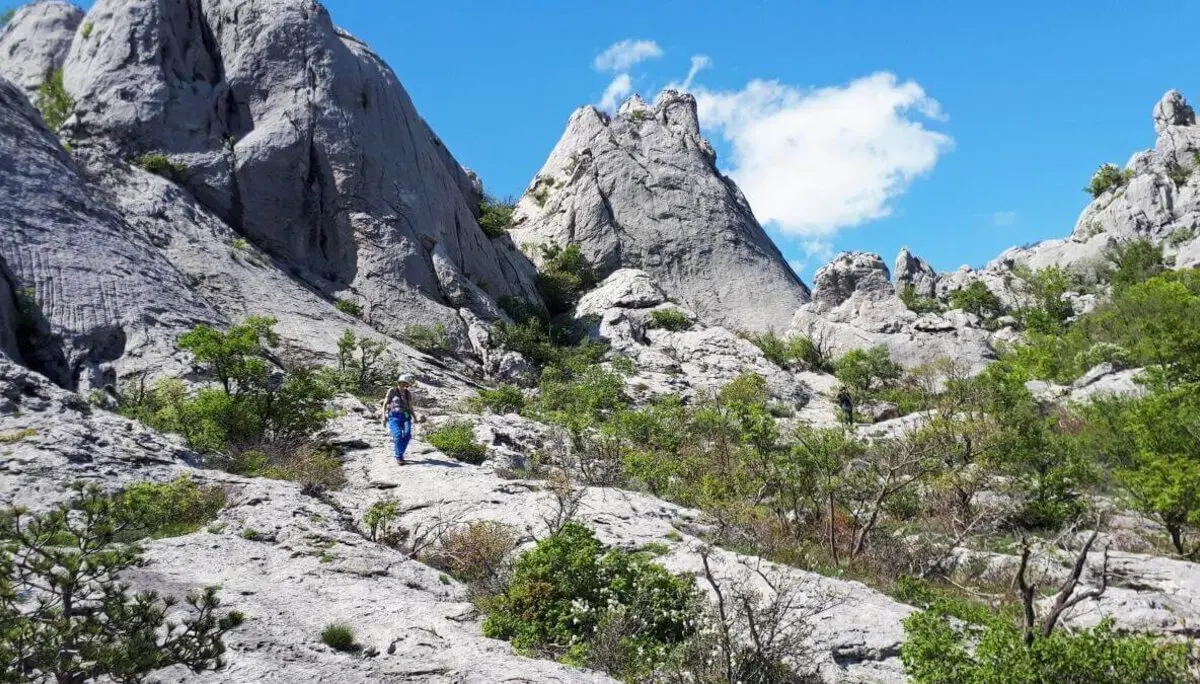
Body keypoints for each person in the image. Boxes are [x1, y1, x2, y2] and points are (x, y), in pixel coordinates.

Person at [382, 374, 417, 464]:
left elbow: (410, 406)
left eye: (405, 383)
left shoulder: (407, 393)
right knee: (397, 435)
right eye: (402, 382)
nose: (403, 384)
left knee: (407, 434)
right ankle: (399, 457)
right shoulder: (392, 391)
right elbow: (385, 404)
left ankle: (399, 452)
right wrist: (383, 416)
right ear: (399, 382)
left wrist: (414, 416)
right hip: (393, 416)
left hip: (405, 416)